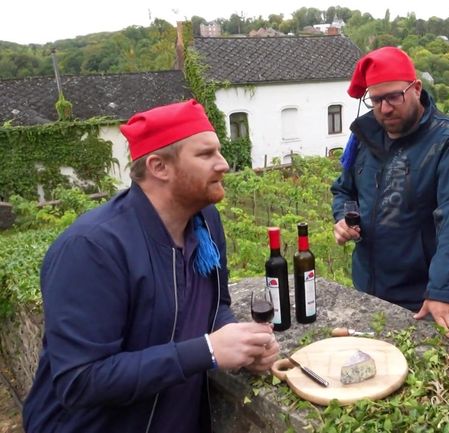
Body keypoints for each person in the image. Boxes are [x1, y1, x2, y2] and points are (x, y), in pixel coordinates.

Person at [23, 100, 280, 433]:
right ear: (159, 167)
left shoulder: (205, 221)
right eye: (206, 155)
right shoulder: (93, 248)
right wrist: (206, 351)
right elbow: (80, 380)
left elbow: (215, 306)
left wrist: (244, 344)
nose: (224, 164)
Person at [331, 46, 449, 341]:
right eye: (375, 100)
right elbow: (344, 189)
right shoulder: (363, 135)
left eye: (393, 97)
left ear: (416, 88)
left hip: (420, 296)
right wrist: (344, 217)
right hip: (366, 287)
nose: (385, 108)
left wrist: (441, 289)